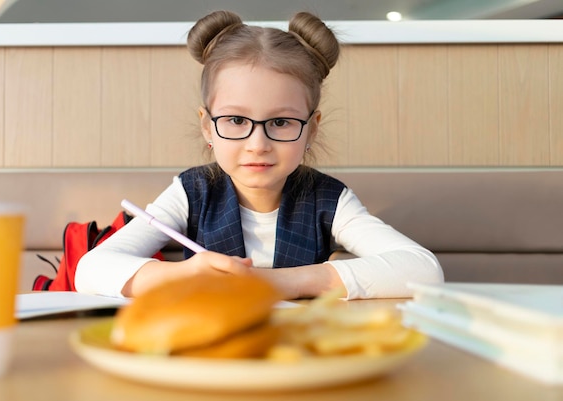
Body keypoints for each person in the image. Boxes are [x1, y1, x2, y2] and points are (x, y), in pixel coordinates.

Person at [75, 10, 444, 300]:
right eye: (236, 120)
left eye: (281, 122)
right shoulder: (191, 192)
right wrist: (183, 274)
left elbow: (423, 269)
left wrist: (282, 283)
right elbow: (90, 270)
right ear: (207, 126)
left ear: (311, 128)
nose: (258, 144)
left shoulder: (331, 200)